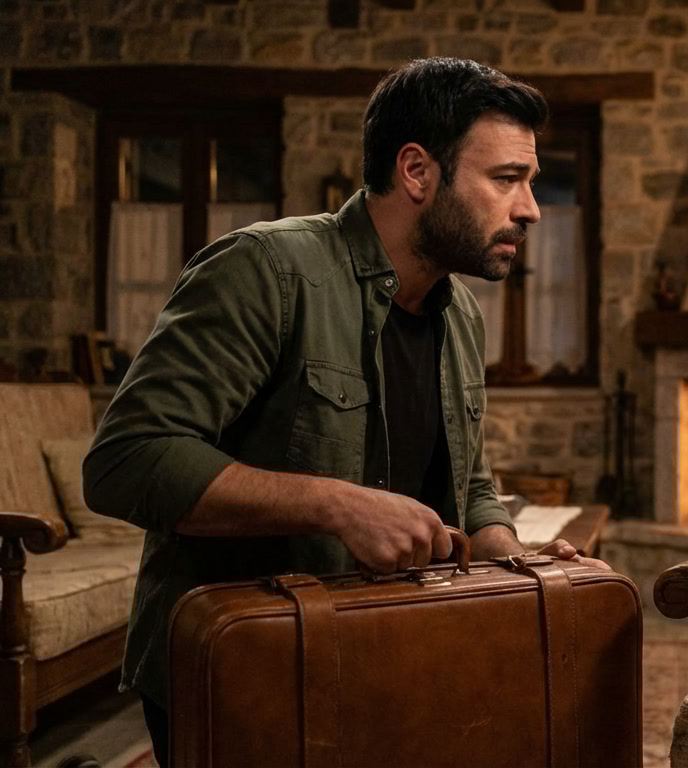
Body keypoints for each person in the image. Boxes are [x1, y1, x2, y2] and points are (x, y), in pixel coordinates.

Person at [82, 58, 608, 766]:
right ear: (417, 171)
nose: (531, 208)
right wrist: (338, 505)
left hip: (383, 659)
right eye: (507, 178)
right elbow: (126, 460)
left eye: (531, 182)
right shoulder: (266, 270)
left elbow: (470, 482)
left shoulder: (460, 315)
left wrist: (510, 555)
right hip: (244, 676)